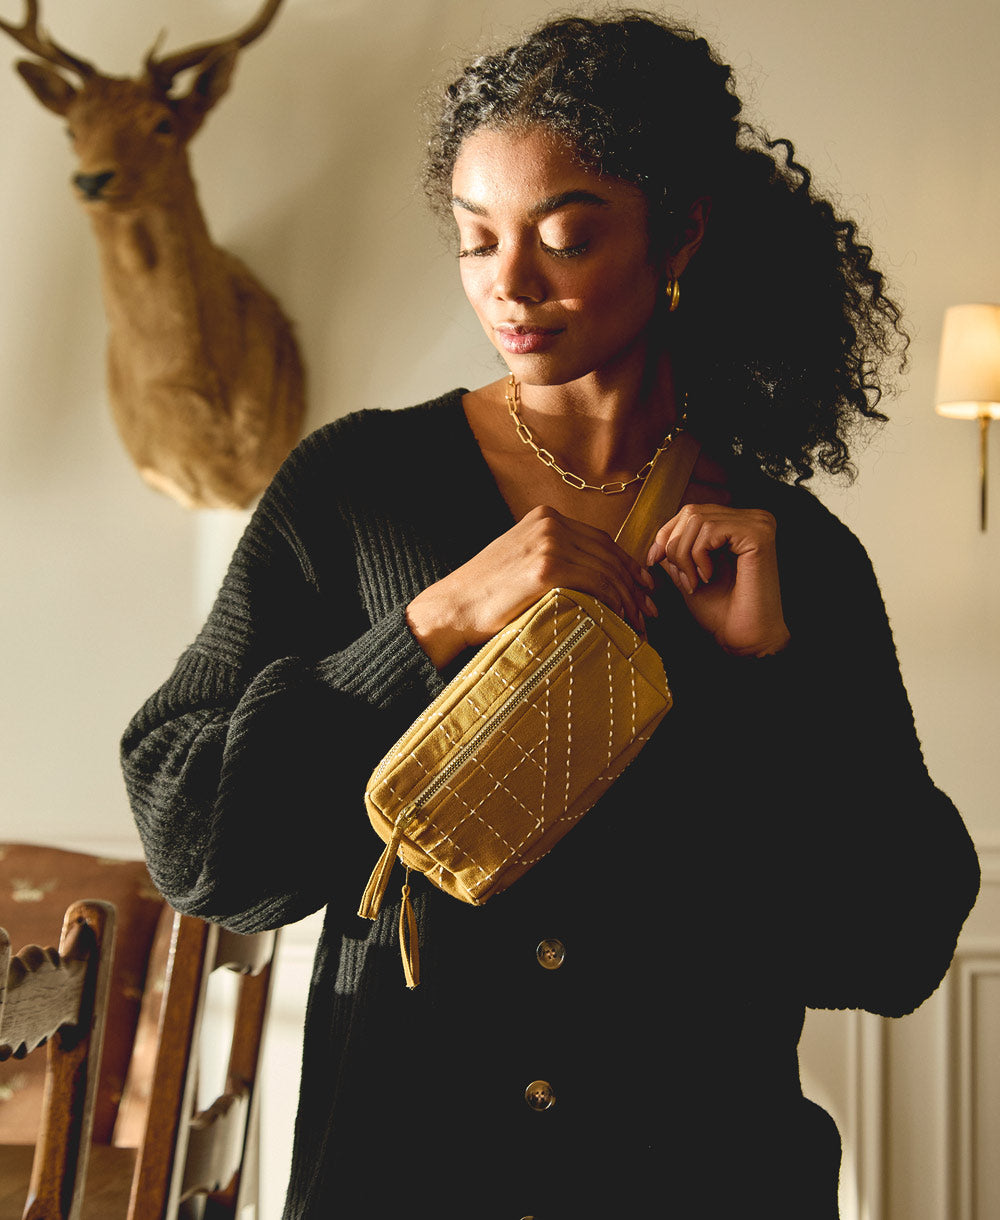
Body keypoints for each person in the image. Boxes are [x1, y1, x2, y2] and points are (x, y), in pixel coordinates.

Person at [121, 11, 980, 1218]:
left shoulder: (788, 555)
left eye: (565, 236)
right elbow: (195, 846)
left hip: (703, 1178)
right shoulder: (357, 490)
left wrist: (764, 677)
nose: (509, 285)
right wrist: (427, 625)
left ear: (679, 230)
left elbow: (889, 946)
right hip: (402, 1172)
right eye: (476, 243)